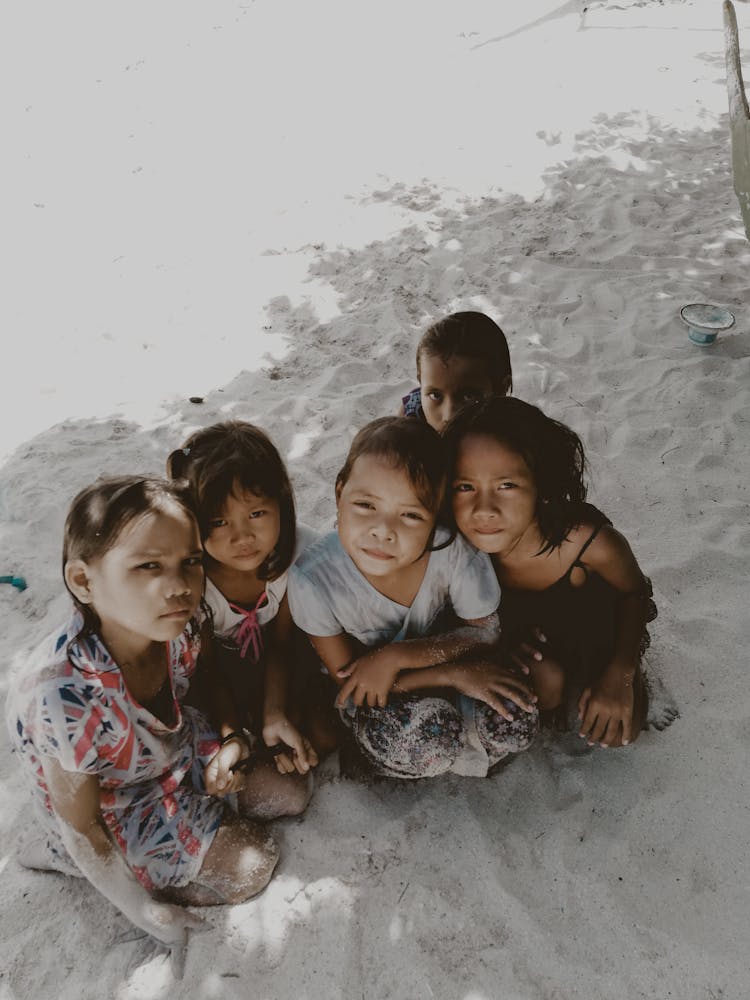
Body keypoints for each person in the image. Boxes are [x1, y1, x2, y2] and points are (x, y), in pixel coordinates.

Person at [6, 477, 281, 973]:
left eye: (190, 562)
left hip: (169, 752)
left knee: (289, 792)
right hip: (114, 806)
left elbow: (207, 677)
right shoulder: (64, 697)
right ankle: (57, 860)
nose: (179, 585)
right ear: (84, 582)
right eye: (148, 566)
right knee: (252, 865)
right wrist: (146, 911)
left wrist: (230, 740)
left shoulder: (177, 621)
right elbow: (82, 826)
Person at [287, 417, 538, 780]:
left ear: (435, 515)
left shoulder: (453, 550)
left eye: (410, 515)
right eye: (365, 505)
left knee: (516, 720)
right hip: (379, 698)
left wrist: (396, 656)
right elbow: (352, 684)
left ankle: (464, 739)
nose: (383, 531)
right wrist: (452, 674)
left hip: (447, 668)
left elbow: (485, 631)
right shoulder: (313, 580)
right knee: (428, 741)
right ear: (339, 492)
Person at [444, 396, 658, 749]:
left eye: (506, 486)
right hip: (533, 646)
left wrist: (620, 674)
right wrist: (506, 644)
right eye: (465, 486)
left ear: (541, 485)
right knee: (546, 683)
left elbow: (635, 594)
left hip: (595, 638)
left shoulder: (588, 543)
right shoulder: (461, 549)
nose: (484, 509)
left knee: (620, 732)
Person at [168, 421, 332, 810]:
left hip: (286, 663)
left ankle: (272, 732)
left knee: (323, 736)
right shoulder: (193, 577)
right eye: (219, 522)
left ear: (282, 502)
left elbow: (283, 646)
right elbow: (207, 670)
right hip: (218, 678)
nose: (241, 538)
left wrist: (276, 713)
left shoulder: (300, 556)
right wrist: (232, 733)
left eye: (257, 513)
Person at [399, 311, 512, 432]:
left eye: (468, 397)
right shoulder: (411, 417)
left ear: (501, 389)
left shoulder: (514, 437)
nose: (449, 416)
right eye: (435, 395)